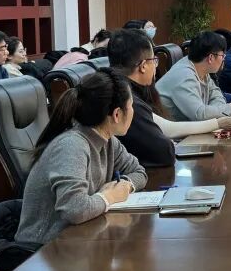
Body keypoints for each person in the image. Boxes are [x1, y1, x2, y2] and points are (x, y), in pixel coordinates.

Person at [15, 69, 147, 244]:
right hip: (44, 249)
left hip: (80, 237)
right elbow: (74, 209)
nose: (133, 112)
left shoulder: (108, 140)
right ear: (117, 114)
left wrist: (124, 185)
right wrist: (111, 196)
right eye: (131, 106)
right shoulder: (72, 145)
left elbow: (139, 172)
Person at [109, 28, 231, 167]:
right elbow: (164, 151)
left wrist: (218, 122)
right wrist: (220, 120)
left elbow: (167, 128)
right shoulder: (127, 100)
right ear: (143, 66)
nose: (155, 67)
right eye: (154, 60)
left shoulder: (126, 89)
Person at [156, 31, 231, 121]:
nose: (224, 59)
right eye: (222, 56)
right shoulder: (183, 75)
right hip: (166, 130)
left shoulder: (202, 69)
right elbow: (199, 114)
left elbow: (216, 95)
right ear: (211, 58)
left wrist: (215, 111)